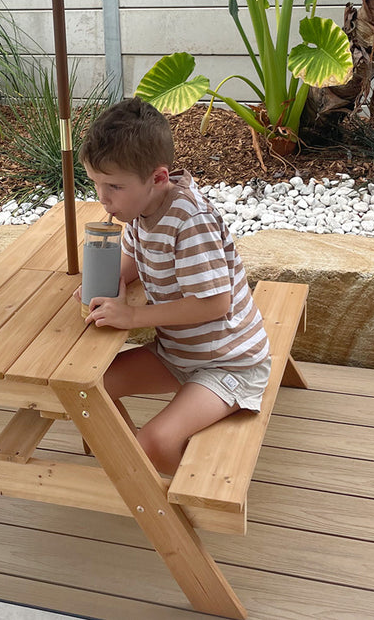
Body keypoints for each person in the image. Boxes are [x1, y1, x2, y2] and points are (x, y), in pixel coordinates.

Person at [77, 97, 271, 475]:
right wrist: (103, 281)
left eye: (114, 186)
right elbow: (132, 261)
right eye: (96, 184)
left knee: (156, 441)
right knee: (90, 387)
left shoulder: (190, 222)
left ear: (159, 177)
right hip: (179, 352)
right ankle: (133, 470)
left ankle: (178, 507)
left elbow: (214, 303)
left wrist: (132, 315)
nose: (103, 198)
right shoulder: (140, 208)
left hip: (228, 363)